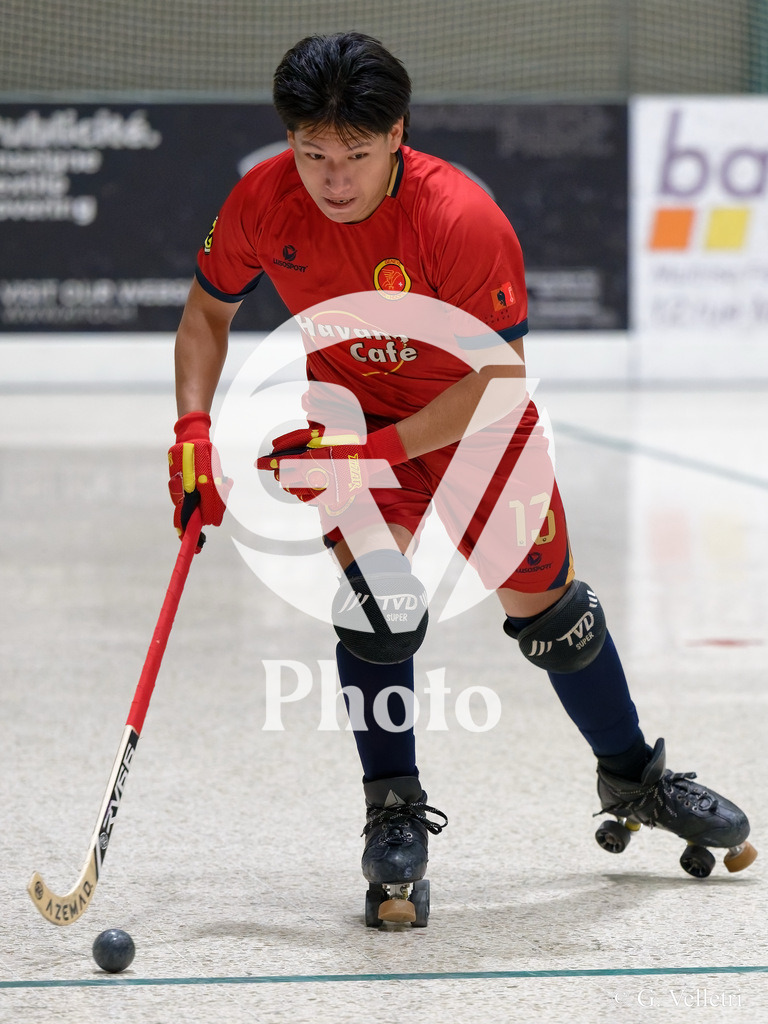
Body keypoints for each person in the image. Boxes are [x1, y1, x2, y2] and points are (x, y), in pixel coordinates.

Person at [168, 32, 755, 926]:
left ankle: (635, 779)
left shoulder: (460, 217)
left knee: (551, 615)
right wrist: (192, 432)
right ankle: (394, 812)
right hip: (352, 418)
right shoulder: (262, 201)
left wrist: (380, 456)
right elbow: (208, 313)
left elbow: (499, 382)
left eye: (356, 156)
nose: (332, 178)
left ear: (397, 134)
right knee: (377, 612)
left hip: (475, 427)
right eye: (312, 153)